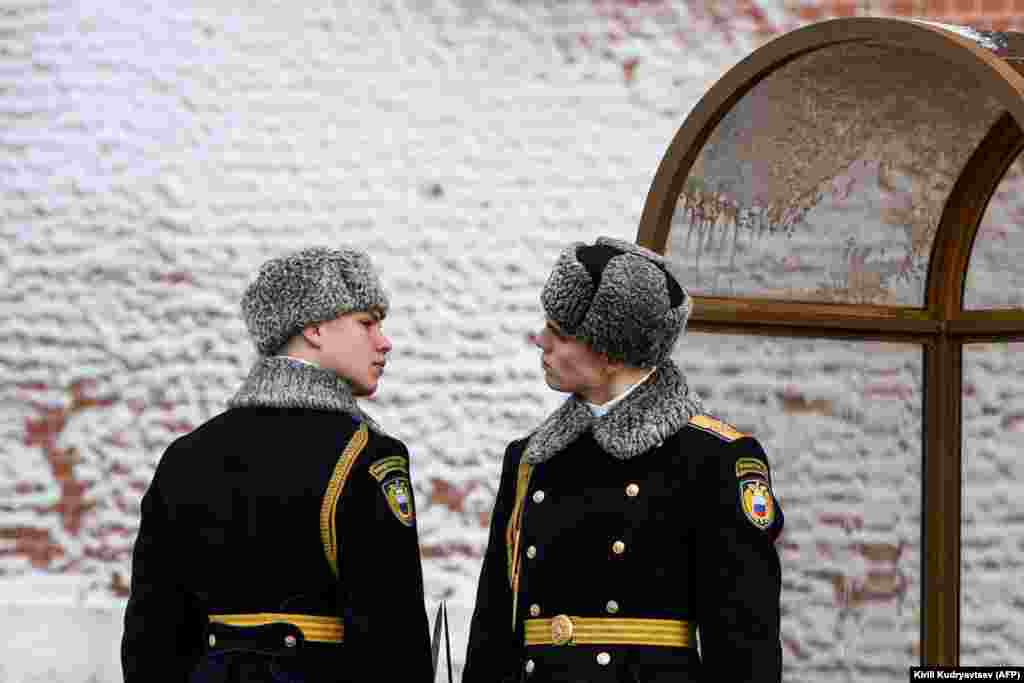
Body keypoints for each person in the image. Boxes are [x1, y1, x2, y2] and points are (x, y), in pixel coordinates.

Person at [462, 237, 784, 683]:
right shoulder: (530, 458)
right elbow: (494, 633)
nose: (541, 340)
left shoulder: (713, 459)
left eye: (560, 331)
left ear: (611, 353)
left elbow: (745, 648)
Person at [121, 246, 434, 683]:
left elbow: (151, 638)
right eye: (367, 323)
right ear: (315, 329)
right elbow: (392, 639)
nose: (384, 342)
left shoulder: (187, 455)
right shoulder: (367, 456)